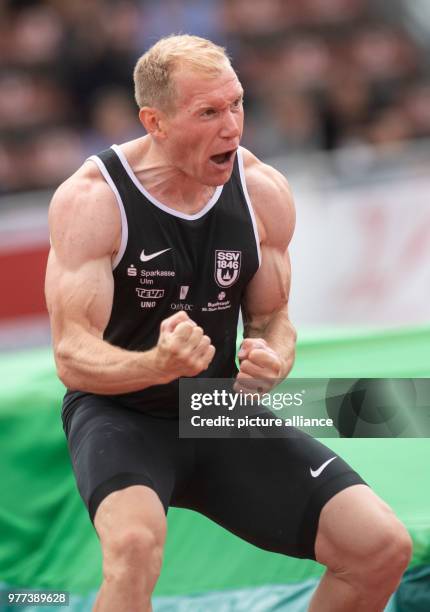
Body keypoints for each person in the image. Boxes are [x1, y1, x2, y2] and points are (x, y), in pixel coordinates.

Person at [45, 35, 412, 612]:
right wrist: (155, 364)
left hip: (216, 409)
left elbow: (272, 318)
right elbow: (70, 356)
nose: (233, 126)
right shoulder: (93, 199)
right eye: (209, 112)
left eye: (237, 104)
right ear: (155, 122)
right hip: (123, 413)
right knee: (135, 546)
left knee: (382, 548)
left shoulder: (262, 191)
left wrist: (271, 355)